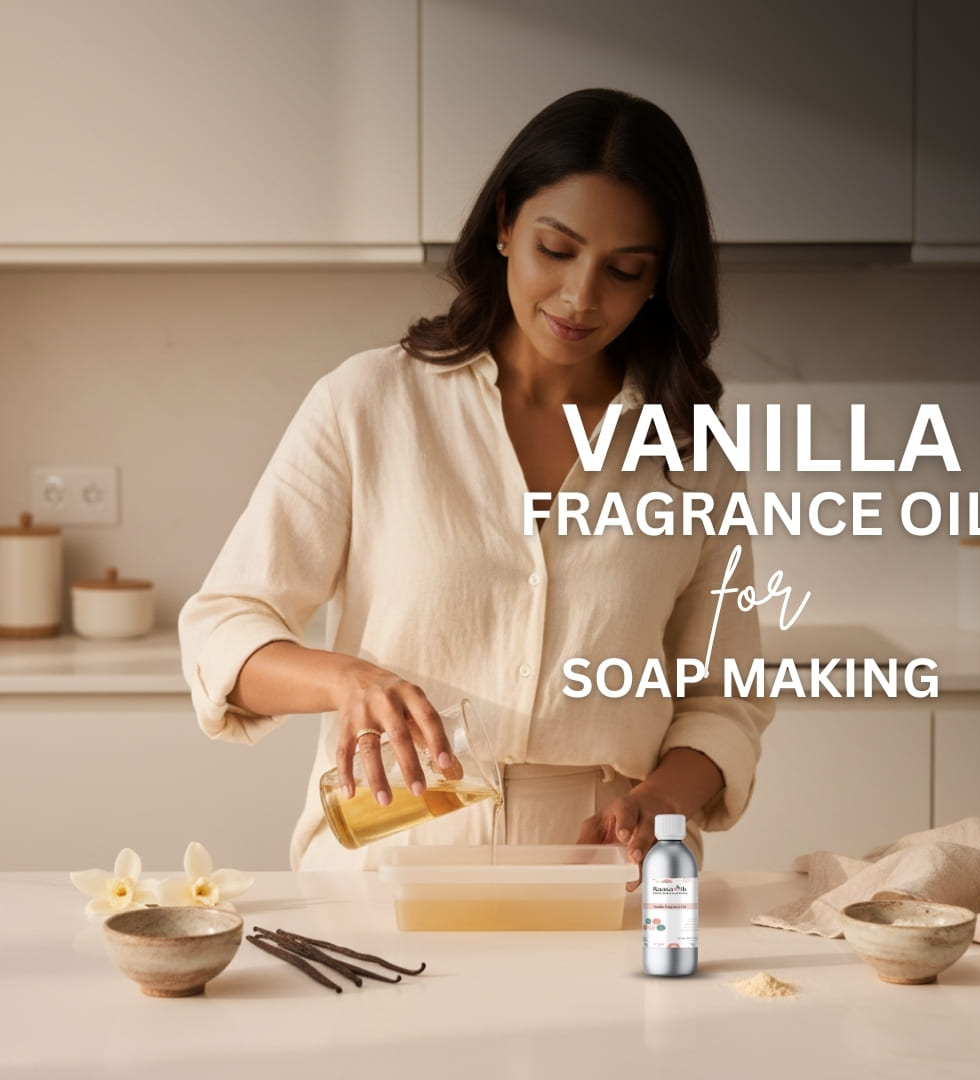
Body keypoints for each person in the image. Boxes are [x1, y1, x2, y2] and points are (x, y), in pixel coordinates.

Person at [178, 88, 773, 880]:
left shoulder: (691, 453)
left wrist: (662, 797)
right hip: (387, 875)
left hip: (605, 884)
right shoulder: (368, 403)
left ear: (662, 279)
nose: (580, 298)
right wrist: (344, 678)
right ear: (503, 225)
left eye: (624, 271)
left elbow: (724, 700)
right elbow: (222, 628)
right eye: (555, 250)